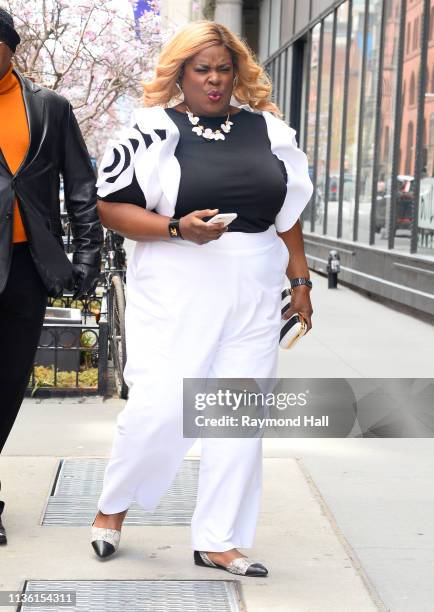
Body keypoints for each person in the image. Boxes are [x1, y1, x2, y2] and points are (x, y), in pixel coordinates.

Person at [92, 20, 313, 576]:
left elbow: (288, 213)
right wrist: (174, 228)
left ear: (237, 72)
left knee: (238, 416)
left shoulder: (269, 130)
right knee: (161, 405)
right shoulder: (150, 129)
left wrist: (301, 280)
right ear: (181, 73)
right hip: (176, 283)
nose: (214, 81)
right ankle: (113, 505)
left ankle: (220, 538)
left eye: (223, 69)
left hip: (256, 289)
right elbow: (110, 207)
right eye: (201, 70)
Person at [0, 7, 103, 545]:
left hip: (27, 266)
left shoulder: (50, 108)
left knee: (10, 381)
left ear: (10, 46)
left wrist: (87, 258)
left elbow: (81, 187)